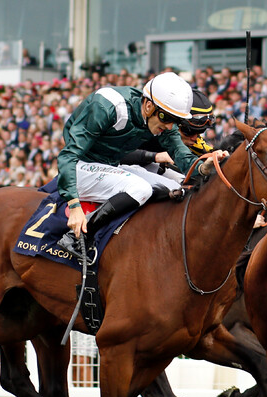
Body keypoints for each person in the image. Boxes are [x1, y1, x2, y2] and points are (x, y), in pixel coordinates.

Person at [56, 72, 228, 261]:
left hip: (108, 166)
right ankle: (76, 237)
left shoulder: (161, 120)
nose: (170, 127)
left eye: (176, 121)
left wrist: (203, 168)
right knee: (141, 188)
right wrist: (74, 206)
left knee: (175, 189)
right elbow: (68, 155)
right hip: (79, 167)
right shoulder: (106, 106)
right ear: (148, 105)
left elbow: (183, 157)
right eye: (167, 118)